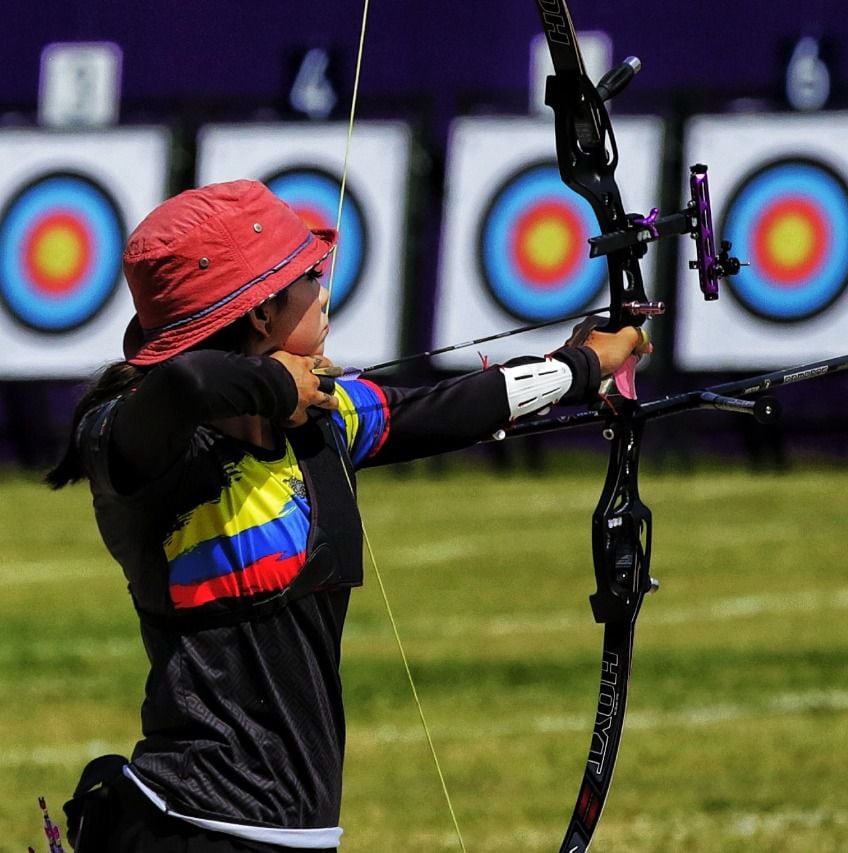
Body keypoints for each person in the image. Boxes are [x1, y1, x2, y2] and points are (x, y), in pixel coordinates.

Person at [44, 179, 646, 852]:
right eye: (307, 277)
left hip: (291, 830)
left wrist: (584, 363)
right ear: (263, 315)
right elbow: (182, 385)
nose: (323, 289)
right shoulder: (145, 456)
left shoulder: (323, 420)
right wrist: (278, 385)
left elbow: (450, 408)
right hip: (191, 824)